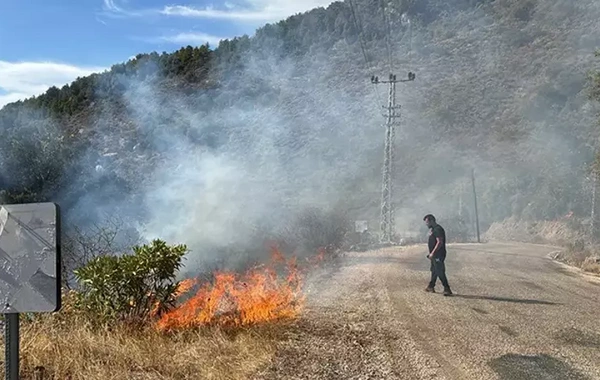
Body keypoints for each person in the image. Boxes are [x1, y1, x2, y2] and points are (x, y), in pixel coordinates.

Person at [423, 214, 452, 296]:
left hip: (438, 254)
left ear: (432, 221)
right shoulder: (433, 229)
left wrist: (433, 253)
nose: (426, 224)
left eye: (427, 222)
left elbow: (439, 242)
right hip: (434, 255)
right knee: (434, 270)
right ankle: (431, 286)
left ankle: (447, 288)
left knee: (440, 271)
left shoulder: (438, 229)